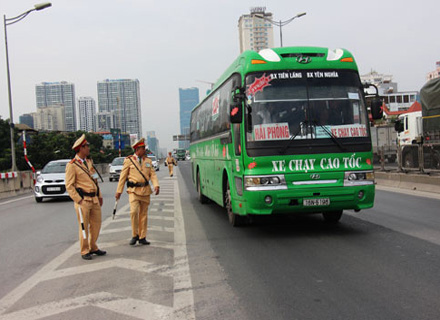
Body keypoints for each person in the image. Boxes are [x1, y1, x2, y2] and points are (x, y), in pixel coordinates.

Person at [65, 134, 106, 260]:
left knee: (96, 224)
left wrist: (99, 195)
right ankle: (84, 250)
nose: (88, 148)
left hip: (94, 199)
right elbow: (69, 186)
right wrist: (79, 200)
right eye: (86, 146)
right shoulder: (72, 165)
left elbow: (95, 180)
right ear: (80, 149)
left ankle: (93, 246)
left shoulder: (89, 162)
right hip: (83, 200)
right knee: (84, 226)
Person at [115, 138, 160, 246]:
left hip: (145, 190)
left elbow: (152, 175)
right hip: (133, 191)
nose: (144, 150)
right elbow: (122, 177)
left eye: (144, 148)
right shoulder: (129, 161)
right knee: (133, 212)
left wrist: (156, 185)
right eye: (142, 148)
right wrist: (119, 191)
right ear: (137, 149)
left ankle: (142, 236)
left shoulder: (148, 161)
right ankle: (134, 235)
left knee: (143, 214)